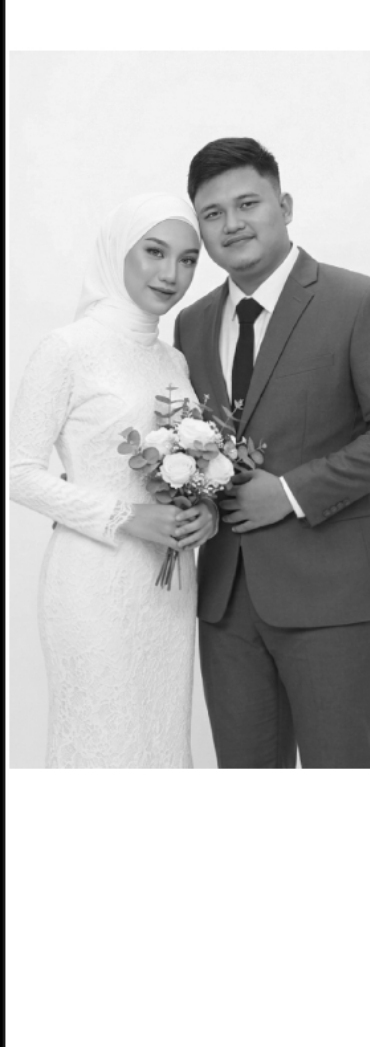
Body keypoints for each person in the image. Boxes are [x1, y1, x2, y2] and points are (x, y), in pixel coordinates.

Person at [174, 138, 370, 768]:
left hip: (333, 593)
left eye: (248, 203)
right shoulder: (191, 323)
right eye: (212, 214)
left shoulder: (358, 300)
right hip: (226, 599)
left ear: (284, 206)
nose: (232, 224)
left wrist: (290, 492)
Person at [10, 193, 215, 767]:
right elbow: (17, 472)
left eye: (188, 259)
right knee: (105, 742)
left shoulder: (172, 361)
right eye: (154, 252)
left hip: (169, 587)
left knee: (160, 743)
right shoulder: (67, 348)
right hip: (94, 583)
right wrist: (127, 517)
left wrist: (205, 512)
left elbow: (186, 468)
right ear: (117, 251)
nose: (171, 274)